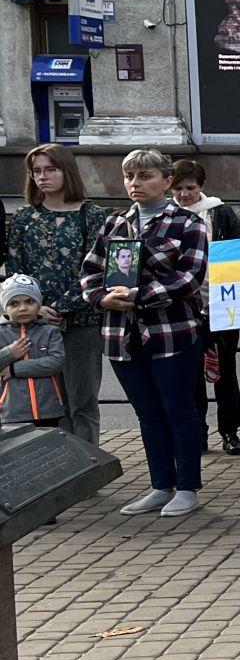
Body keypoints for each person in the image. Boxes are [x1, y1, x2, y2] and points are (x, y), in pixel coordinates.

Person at [81, 149, 211, 518]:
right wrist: (103, 297)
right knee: (148, 414)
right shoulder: (114, 223)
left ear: (166, 181)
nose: (136, 184)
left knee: (179, 410)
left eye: (145, 176)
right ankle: (160, 485)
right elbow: (90, 270)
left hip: (172, 333)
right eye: (130, 177)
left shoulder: (189, 223)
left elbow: (189, 279)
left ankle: (187, 488)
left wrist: (137, 297)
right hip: (121, 335)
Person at [6, 143, 108, 444]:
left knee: (82, 402)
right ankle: (60, 473)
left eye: (50, 169)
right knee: (50, 403)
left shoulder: (92, 215)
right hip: (34, 323)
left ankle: (89, 467)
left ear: (67, 171)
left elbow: (97, 268)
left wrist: (60, 307)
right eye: (36, 171)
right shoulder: (25, 218)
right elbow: (16, 271)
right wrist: (37, 308)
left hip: (82, 321)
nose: (43, 176)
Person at [170, 159, 240, 457]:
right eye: (178, 189)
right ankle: (197, 431)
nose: (184, 194)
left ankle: (230, 431)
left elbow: (239, 252)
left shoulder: (220, 212)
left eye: (190, 188)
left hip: (221, 300)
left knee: (226, 369)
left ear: (201, 187)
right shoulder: (169, 215)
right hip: (183, 304)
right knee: (189, 372)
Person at [0, 277, 65, 428]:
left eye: (29, 302)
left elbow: (56, 362)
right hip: (11, 412)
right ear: (5, 308)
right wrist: (9, 353)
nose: (22, 308)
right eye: (14, 303)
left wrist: (14, 369)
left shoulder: (50, 331)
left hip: (48, 410)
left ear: (39, 304)